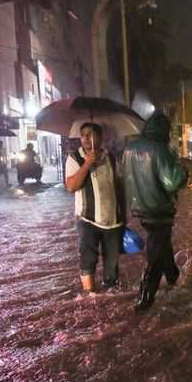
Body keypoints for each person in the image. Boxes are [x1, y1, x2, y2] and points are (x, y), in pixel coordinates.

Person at [123, 111, 187, 312]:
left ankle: (173, 278)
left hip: (139, 208)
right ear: (165, 131)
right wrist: (182, 170)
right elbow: (172, 182)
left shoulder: (129, 149)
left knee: (161, 246)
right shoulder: (161, 150)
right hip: (159, 209)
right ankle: (144, 300)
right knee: (155, 256)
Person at [65, 123, 124, 293]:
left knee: (112, 264)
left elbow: (119, 188)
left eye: (90, 134)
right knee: (88, 259)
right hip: (87, 219)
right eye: (83, 135)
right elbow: (71, 186)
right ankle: (90, 297)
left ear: (99, 137)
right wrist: (87, 164)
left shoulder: (110, 158)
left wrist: (124, 217)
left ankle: (111, 296)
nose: (85, 138)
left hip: (112, 220)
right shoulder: (75, 158)